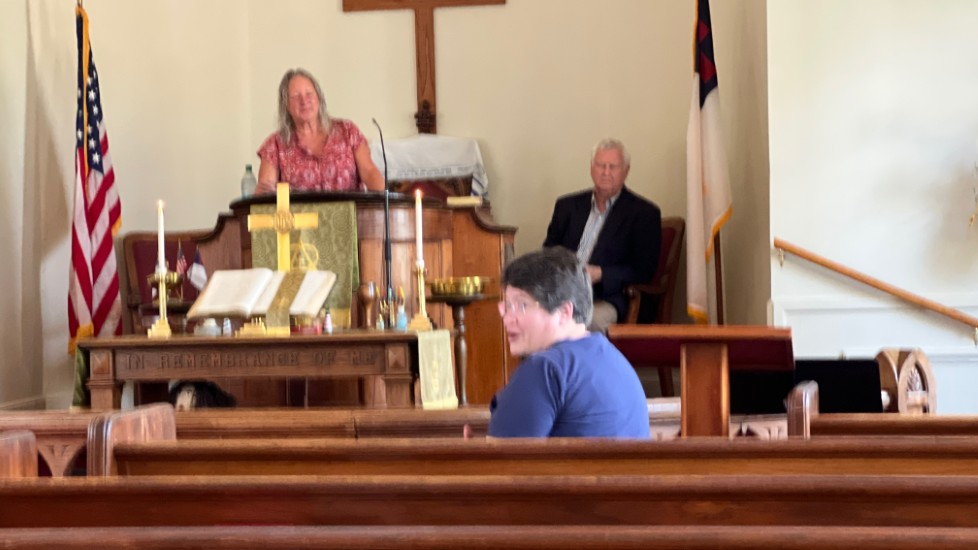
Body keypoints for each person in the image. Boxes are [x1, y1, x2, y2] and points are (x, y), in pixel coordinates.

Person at [487, 247, 650, 438]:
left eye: (522, 306)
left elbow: (500, 455)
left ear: (564, 312)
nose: (507, 318)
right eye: (507, 307)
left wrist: (471, 450)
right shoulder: (614, 358)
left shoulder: (545, 367)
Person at [543, 138, 661, 332]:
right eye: (600, 165)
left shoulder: (643, 213)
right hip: (562, 292)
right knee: (522, 314)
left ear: (626, 171)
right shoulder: (567, 206)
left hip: (608, 297)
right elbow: (549, 252)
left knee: (583, 321)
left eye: (613, 167)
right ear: (591, 168)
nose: (606, 172)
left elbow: (644, 270)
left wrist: (601, 274)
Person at [256, 68, 384, 194]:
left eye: (309, 93)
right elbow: (265, 192)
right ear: (286, 106)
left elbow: (369, 172)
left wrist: (384, 201)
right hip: (298, 209)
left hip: (351, 208)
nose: (304, 101)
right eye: (295, 96)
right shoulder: (275, 145)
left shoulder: (347, 130)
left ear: (319, 97)